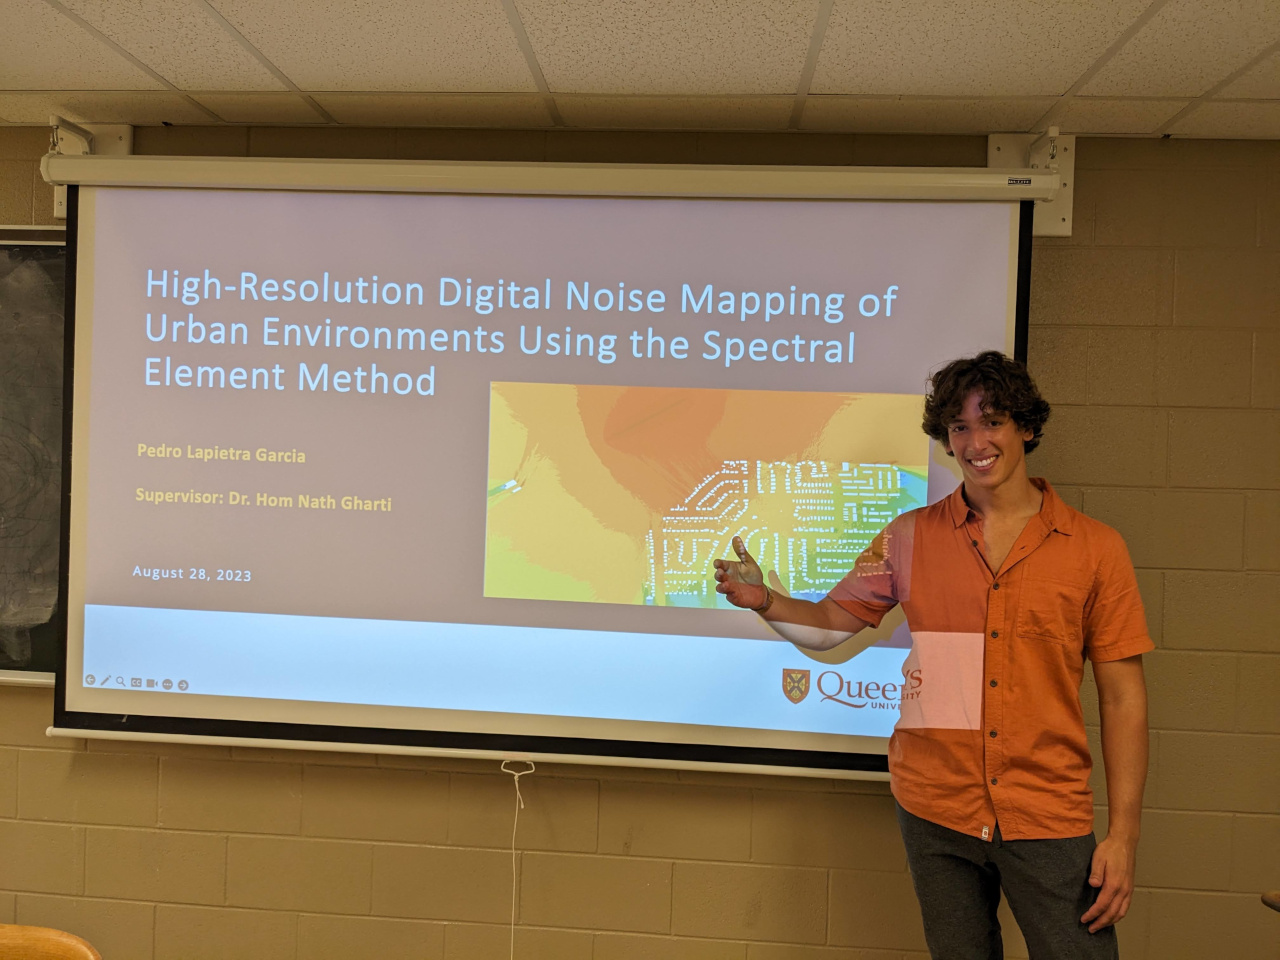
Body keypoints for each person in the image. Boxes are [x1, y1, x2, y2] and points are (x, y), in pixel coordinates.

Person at [713, 351, 1151, 960]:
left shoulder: (1097, 549)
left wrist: (1124, 835)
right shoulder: (905, 536)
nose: (976, 442)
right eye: (959, 427)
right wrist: (766, 600)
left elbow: (1124, 699)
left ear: (1026, 426)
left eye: (992, 421)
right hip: (934, 809)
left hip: (1047, 811)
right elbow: (831, 625)